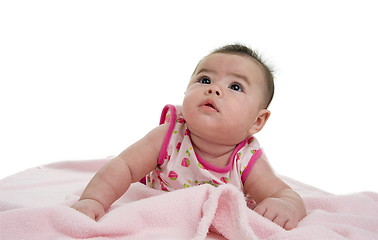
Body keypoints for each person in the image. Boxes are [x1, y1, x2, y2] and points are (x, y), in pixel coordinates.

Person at [71, 44, 307, 230]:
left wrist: (284, 205)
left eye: (235, 86)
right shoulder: (170, 136)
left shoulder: (245, 159)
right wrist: (93, 200)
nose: (214, 89)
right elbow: (124, 166)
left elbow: (284, 194)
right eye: (205, 80)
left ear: (257, 121)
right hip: (160, 212)